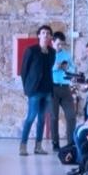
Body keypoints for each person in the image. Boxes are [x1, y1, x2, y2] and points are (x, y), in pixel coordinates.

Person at [19, 25, 55, 156]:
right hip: (34, 90)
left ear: (50, 37)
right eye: (43, 33)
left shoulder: (52, 52)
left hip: (47, 90)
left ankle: (38, 146)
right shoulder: (31, 50)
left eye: (48, 33)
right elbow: (24, 71)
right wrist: (27, 88)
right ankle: (23, 146)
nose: (45, 35)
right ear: (39, 35)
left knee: (42, 119)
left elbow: (49, 69)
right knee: (31, 117)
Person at [49, 32, 79, 151]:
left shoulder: (66, 55)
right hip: (52, 88)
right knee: (54, 117)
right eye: (58, 44)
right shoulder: (48, 55)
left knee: (71, 116)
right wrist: (55, 67)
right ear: (52, 42)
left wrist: (68, 68)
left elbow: (73, 68)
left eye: (62, 44)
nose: (60, 46)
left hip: (65, 88)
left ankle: (71, 143)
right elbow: (43, 69)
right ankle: (55, 143)